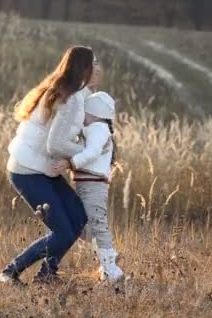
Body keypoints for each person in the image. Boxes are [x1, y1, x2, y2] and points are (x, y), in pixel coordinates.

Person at [0, 46, 96, 284]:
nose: (97, 69)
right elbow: (55, 143)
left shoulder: (61, 89)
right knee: (63, 232)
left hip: (41, 168)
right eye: (94, 64)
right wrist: (88, 153)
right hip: (28, 171)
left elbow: (59, 138)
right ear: (85, 68)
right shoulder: (68, 98)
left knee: (79, 219)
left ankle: (46, 275)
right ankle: (9, 272)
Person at [53, 91, 124, 282]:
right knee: (83, 226)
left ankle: (112, 270)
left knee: (98, 226)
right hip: (87, 184)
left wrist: (71, 163)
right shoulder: (94, 129)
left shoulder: (98, 129)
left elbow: (91, 153)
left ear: (93, 112)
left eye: (85, 111)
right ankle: (110, 257)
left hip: (94, 186)